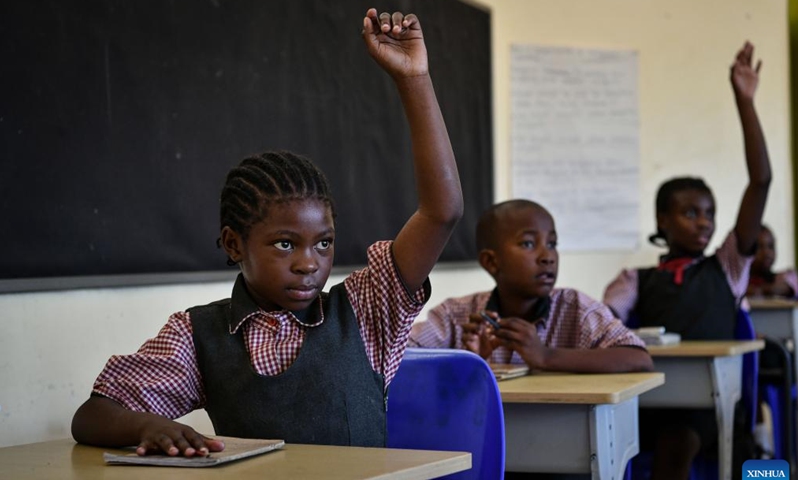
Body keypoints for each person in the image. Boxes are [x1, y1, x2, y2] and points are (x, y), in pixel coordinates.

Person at [70, 8, 463, 457]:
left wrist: (414, 79)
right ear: (234, 243)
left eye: (324, 243)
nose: (309, 263)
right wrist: (147, 427)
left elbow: (442, 212)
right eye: (284, 244)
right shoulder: (197, 334)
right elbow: (92, 415)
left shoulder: (368, 308)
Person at [603, 42, 771, 480]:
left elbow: (761, 180)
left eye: (710, 213)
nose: (704, 223)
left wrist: (745, 103)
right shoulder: (634, 278)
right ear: (663, 219)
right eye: (690, 212)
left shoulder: (729, 268)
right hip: (647, 397)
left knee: (675, 446)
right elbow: (603, 326)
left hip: (708, 407)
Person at [409, 199, 653, 374]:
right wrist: (470, 361)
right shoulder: (456, 315)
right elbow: (401, 356)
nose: (547, 256)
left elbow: (637, 357)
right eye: (528, 244)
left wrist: (546, 356)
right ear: (491, 262)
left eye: (552, 243)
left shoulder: (577, 308)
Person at [747, 225, 798, 299]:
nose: (766, 252)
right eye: (759, 247)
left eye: (771, 246)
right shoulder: (742, 281)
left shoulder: (782, 278)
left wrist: (760, 290)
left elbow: (789, 287)